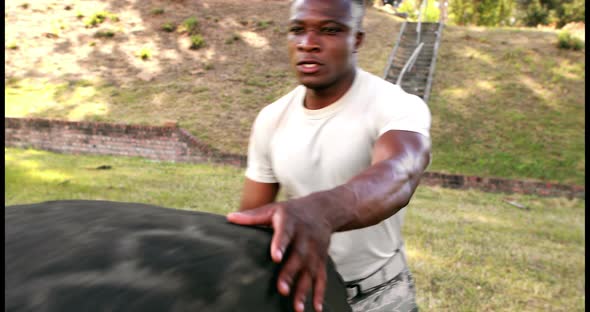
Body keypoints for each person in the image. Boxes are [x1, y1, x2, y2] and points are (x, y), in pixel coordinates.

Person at [227, 0, 431, 311]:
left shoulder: (396, 105)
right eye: (297, 30)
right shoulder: (272, 118)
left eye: (330, 30)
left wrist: (321, 211)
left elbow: (401, 172)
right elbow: (253, 219)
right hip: (301, 290)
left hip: (380, 294)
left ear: (357, 39)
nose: (308, 44)